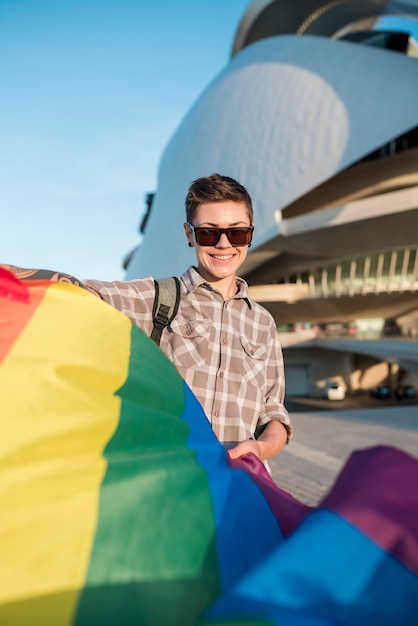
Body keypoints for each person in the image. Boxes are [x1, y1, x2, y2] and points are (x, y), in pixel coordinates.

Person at [2, 173, 292, 461]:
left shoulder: (263, 322)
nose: (224, 244)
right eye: (209, 232)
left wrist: (261, 448)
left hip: (241, 490)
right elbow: (77, 290)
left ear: (250, 234)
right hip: (174, 484)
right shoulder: (157, 298)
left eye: (237, 232)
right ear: (190, 234)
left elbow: (273, 414)